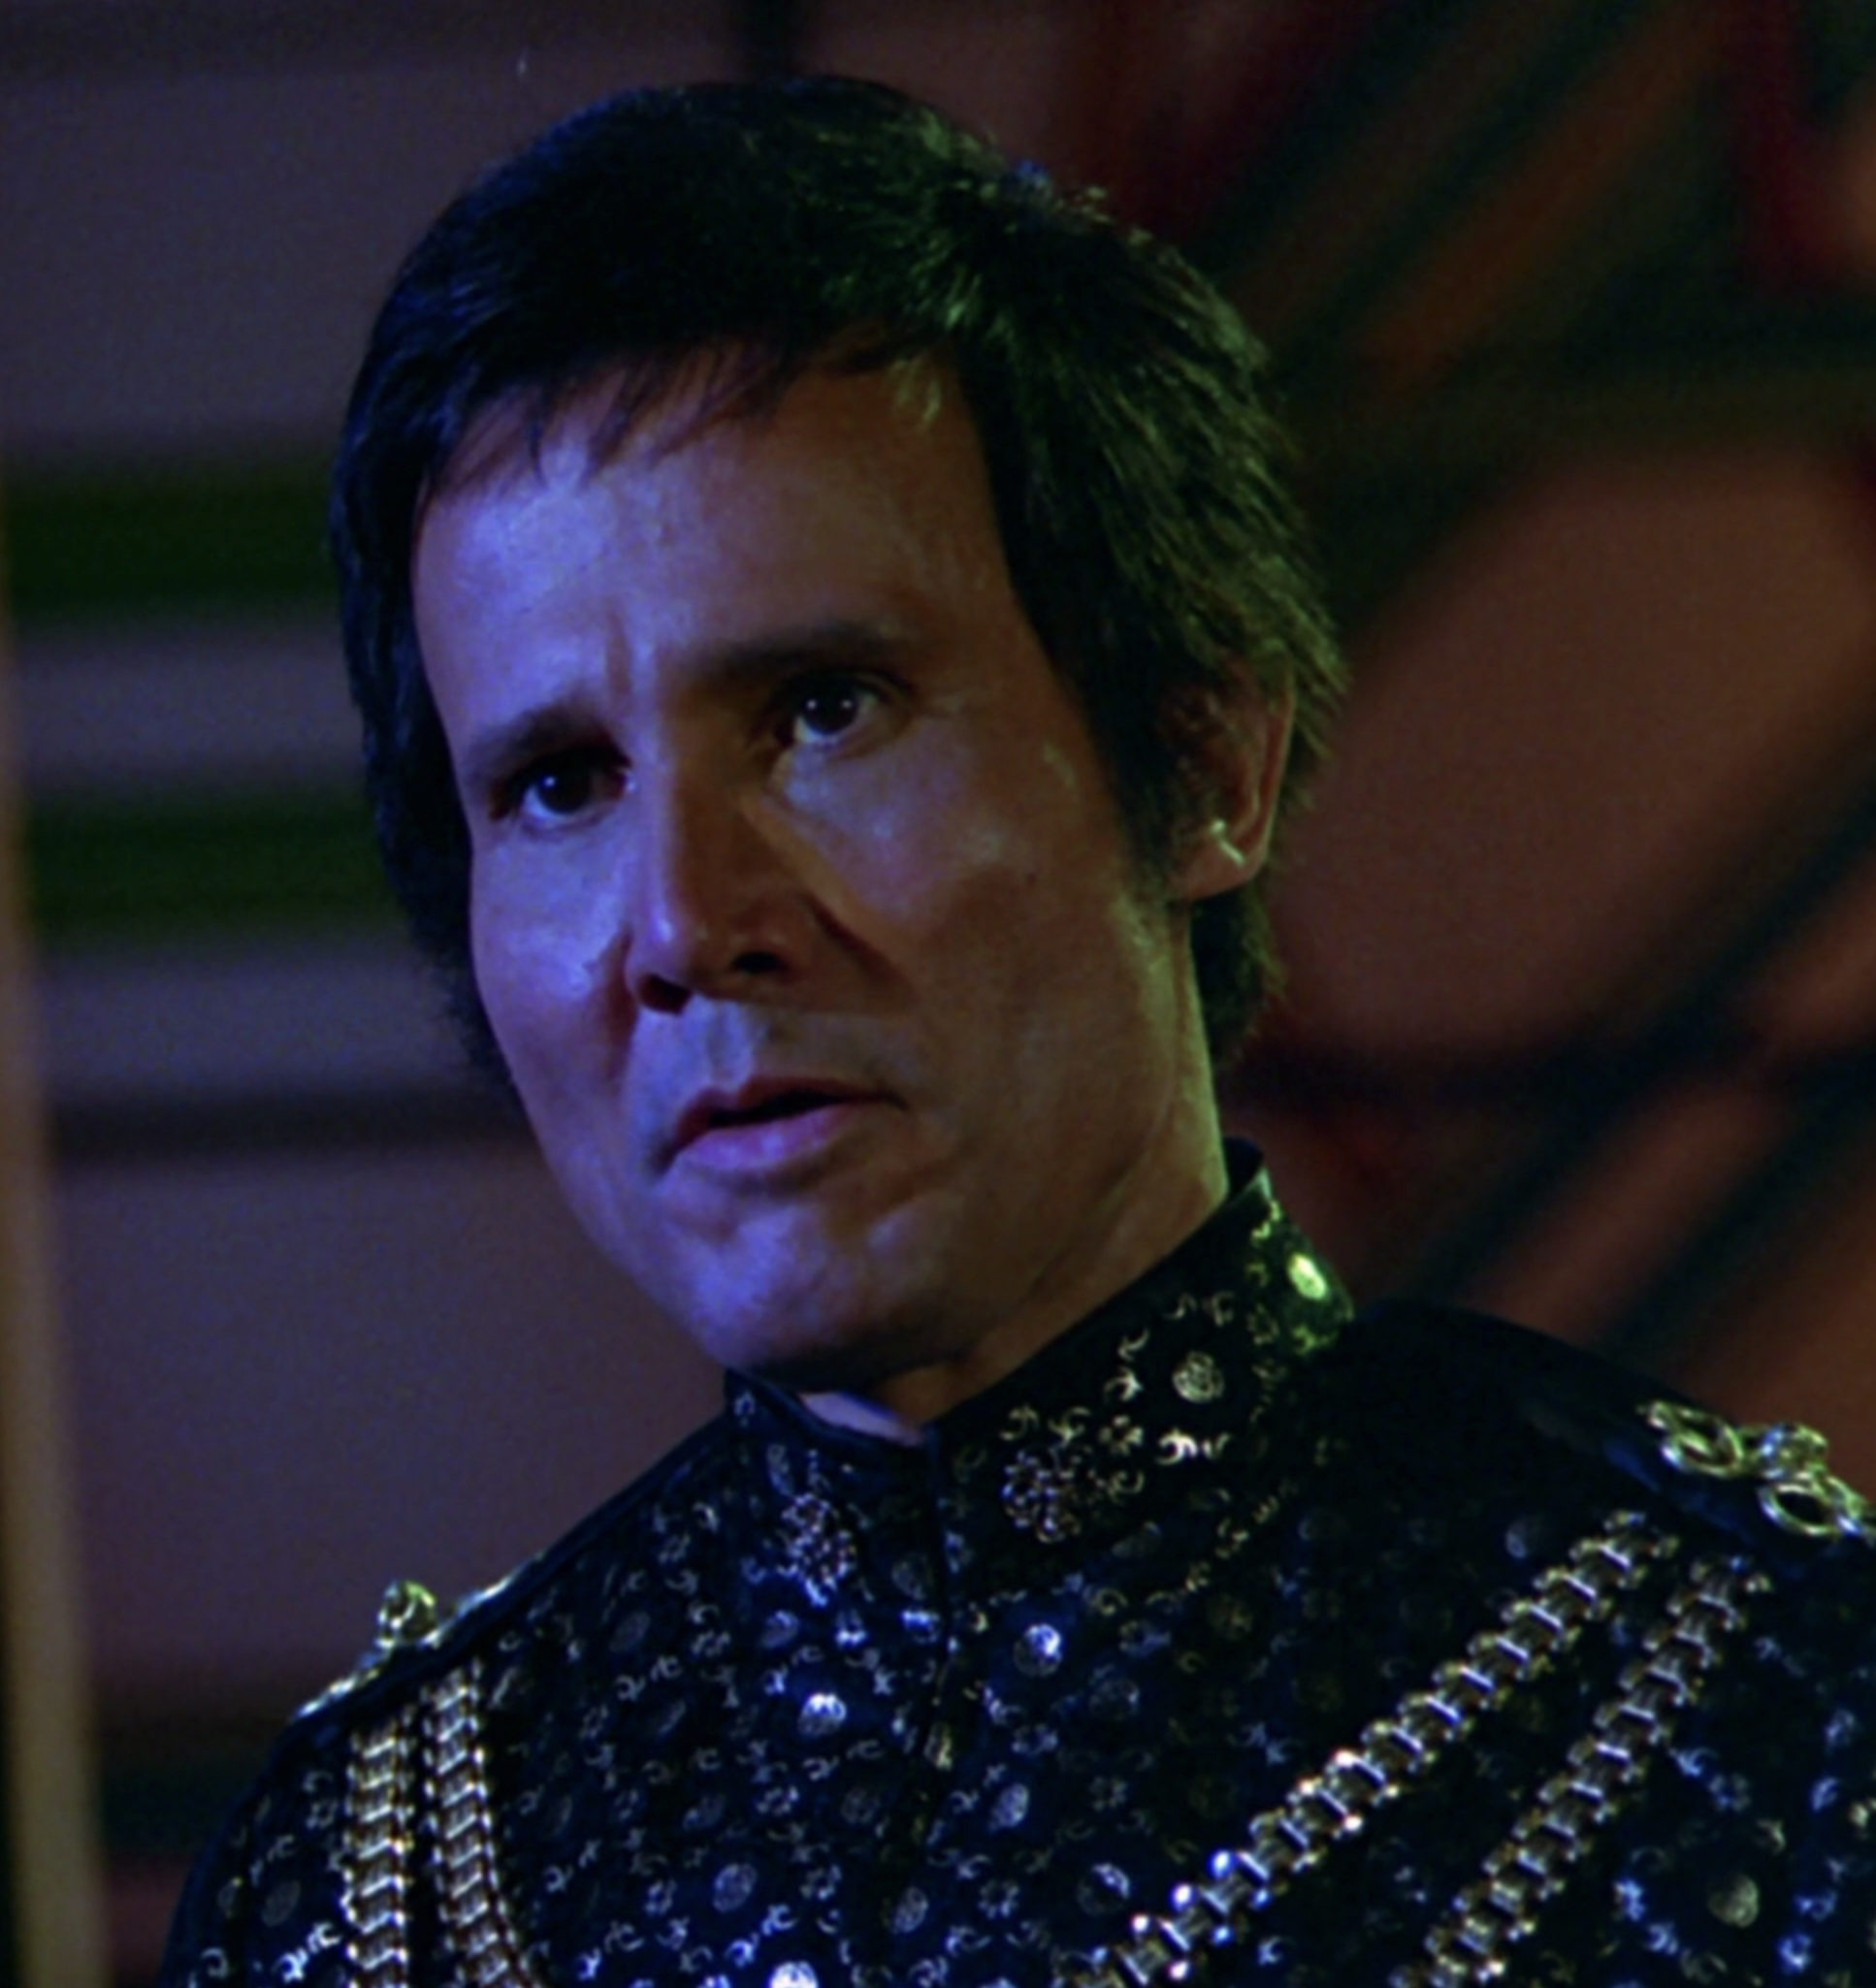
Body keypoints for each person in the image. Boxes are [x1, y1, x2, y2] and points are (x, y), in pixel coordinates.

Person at [161, 78, 1876, 1988]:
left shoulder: (1746, 1699)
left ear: (1204, 762)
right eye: (559, 782)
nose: (685, 923)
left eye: (823, 707)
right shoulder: (373, 1875)